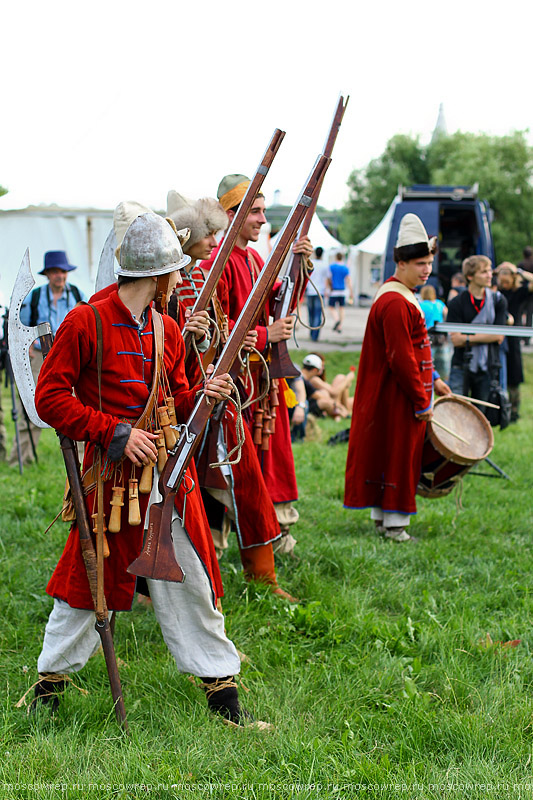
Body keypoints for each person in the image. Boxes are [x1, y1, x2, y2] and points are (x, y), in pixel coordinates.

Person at [32, 208, 263, 727]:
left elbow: (174, 398)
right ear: (158, 275)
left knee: (192, 581)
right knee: (85, 585)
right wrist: (113, 432)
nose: (181, 279)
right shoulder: (86, 321)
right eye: (175, 271)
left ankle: (223, 695)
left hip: (166, 479)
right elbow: (50, 397)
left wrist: (202, 395)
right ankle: (49, 685)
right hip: (111, 484)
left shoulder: (168, 331)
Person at [166, 190, 297, 601]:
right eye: (206, 234)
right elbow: (160, 356)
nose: (212, 242)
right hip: (172, 411)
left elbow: (223, 335)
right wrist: (186, 336)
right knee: (171, 503)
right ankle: (152, 588)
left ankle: (262, 575)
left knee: (247, 483)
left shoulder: (201, 276)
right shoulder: (171, 285)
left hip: (213, 396)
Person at [200, 174, 313, 556]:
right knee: (225, 465)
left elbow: (276, 304)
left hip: (258, 381)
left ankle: (263, 540)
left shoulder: (253, 257)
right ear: (231, 214)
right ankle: (217, 548)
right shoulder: (219, 261)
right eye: (255, 211)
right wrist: (268, 336)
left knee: (258, 463)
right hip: (233, 383)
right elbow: (217, 324)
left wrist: (300, 267)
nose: (263, 220)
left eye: (264, 211)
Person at [344, 214, 450, 542]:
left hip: (396, 392)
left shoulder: (399, 293)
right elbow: (401, 358)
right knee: (400, 453)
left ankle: (385, 519)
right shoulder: (394, 300)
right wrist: (422, 400)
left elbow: (414, 349)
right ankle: (395, 525)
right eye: (420, 263)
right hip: (397, 394)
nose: (426, 270)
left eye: (429, 263)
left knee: (389, 451)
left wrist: (435, 378)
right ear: (401, 263)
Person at [9, 251, 87, 466]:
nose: (59, 276)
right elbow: (19, 328)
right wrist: (27, 350)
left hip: (71, 359)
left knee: (76, 407)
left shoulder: (77, 296)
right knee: (32, 407)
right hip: (39, 359)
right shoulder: (34, 297)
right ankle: (20, 460)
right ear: (48, 275)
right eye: (55, 272)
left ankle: (82, 458)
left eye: (62, 271)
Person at [447, 255, 507, 401]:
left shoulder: (498, 300)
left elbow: (499, 336)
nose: (489, 275)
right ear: (470, 276)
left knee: (481, 416)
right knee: (457, 412)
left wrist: (467, 337)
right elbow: (456, 339)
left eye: (490, 271)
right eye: (484, 272)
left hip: (487, 366)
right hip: (461, 365)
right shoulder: (457, 303)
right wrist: (487, 335)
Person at [495, 261, 533, 421]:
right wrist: (495, 270)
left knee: (514, 376)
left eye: (506, 275)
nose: (503, 279)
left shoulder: (519, 292)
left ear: (513, 277)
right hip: (496, 337)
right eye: (501, 276)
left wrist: (518, 270)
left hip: (513, 339)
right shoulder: (495, 293)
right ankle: (500, 409)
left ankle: (514, 412)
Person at [300, 353, 354, 419]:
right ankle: (341, 414)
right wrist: (348, 379)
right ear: (315, 370)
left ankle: (345, 411)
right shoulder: (312, 379)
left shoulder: (301, 378)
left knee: (340, 379)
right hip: (312, 405)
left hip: (324, 402)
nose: (323, 369)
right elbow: (333, 392)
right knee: (325, 398)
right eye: (322, 366)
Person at [419, 284, 450, 379]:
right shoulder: (439, 303)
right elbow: (446, 314)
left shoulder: (421, 305)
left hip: (428, 334)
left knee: (429, 358)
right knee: (444, 359)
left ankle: (430, 376)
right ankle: (443, 378)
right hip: (441, 335)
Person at [305, 246, 328, 342]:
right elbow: (326, 279)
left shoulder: (311, 263)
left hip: (310, 290)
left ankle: (311, 333)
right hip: (320, 291)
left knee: (311, 313)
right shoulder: (324, 265)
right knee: (317, 314)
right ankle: (315, 335)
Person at [326, 252, 353, 333]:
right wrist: (351, 292)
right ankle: (340, 326)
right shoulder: (345, 268)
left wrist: (328, 288)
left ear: (336, 257)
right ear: (342, 258)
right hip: (342, 290)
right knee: (341, 308)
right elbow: (348, 281)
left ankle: (336, 319)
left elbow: (329, 278)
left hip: (334, 290)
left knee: (331, 307)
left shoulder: (331, 267)